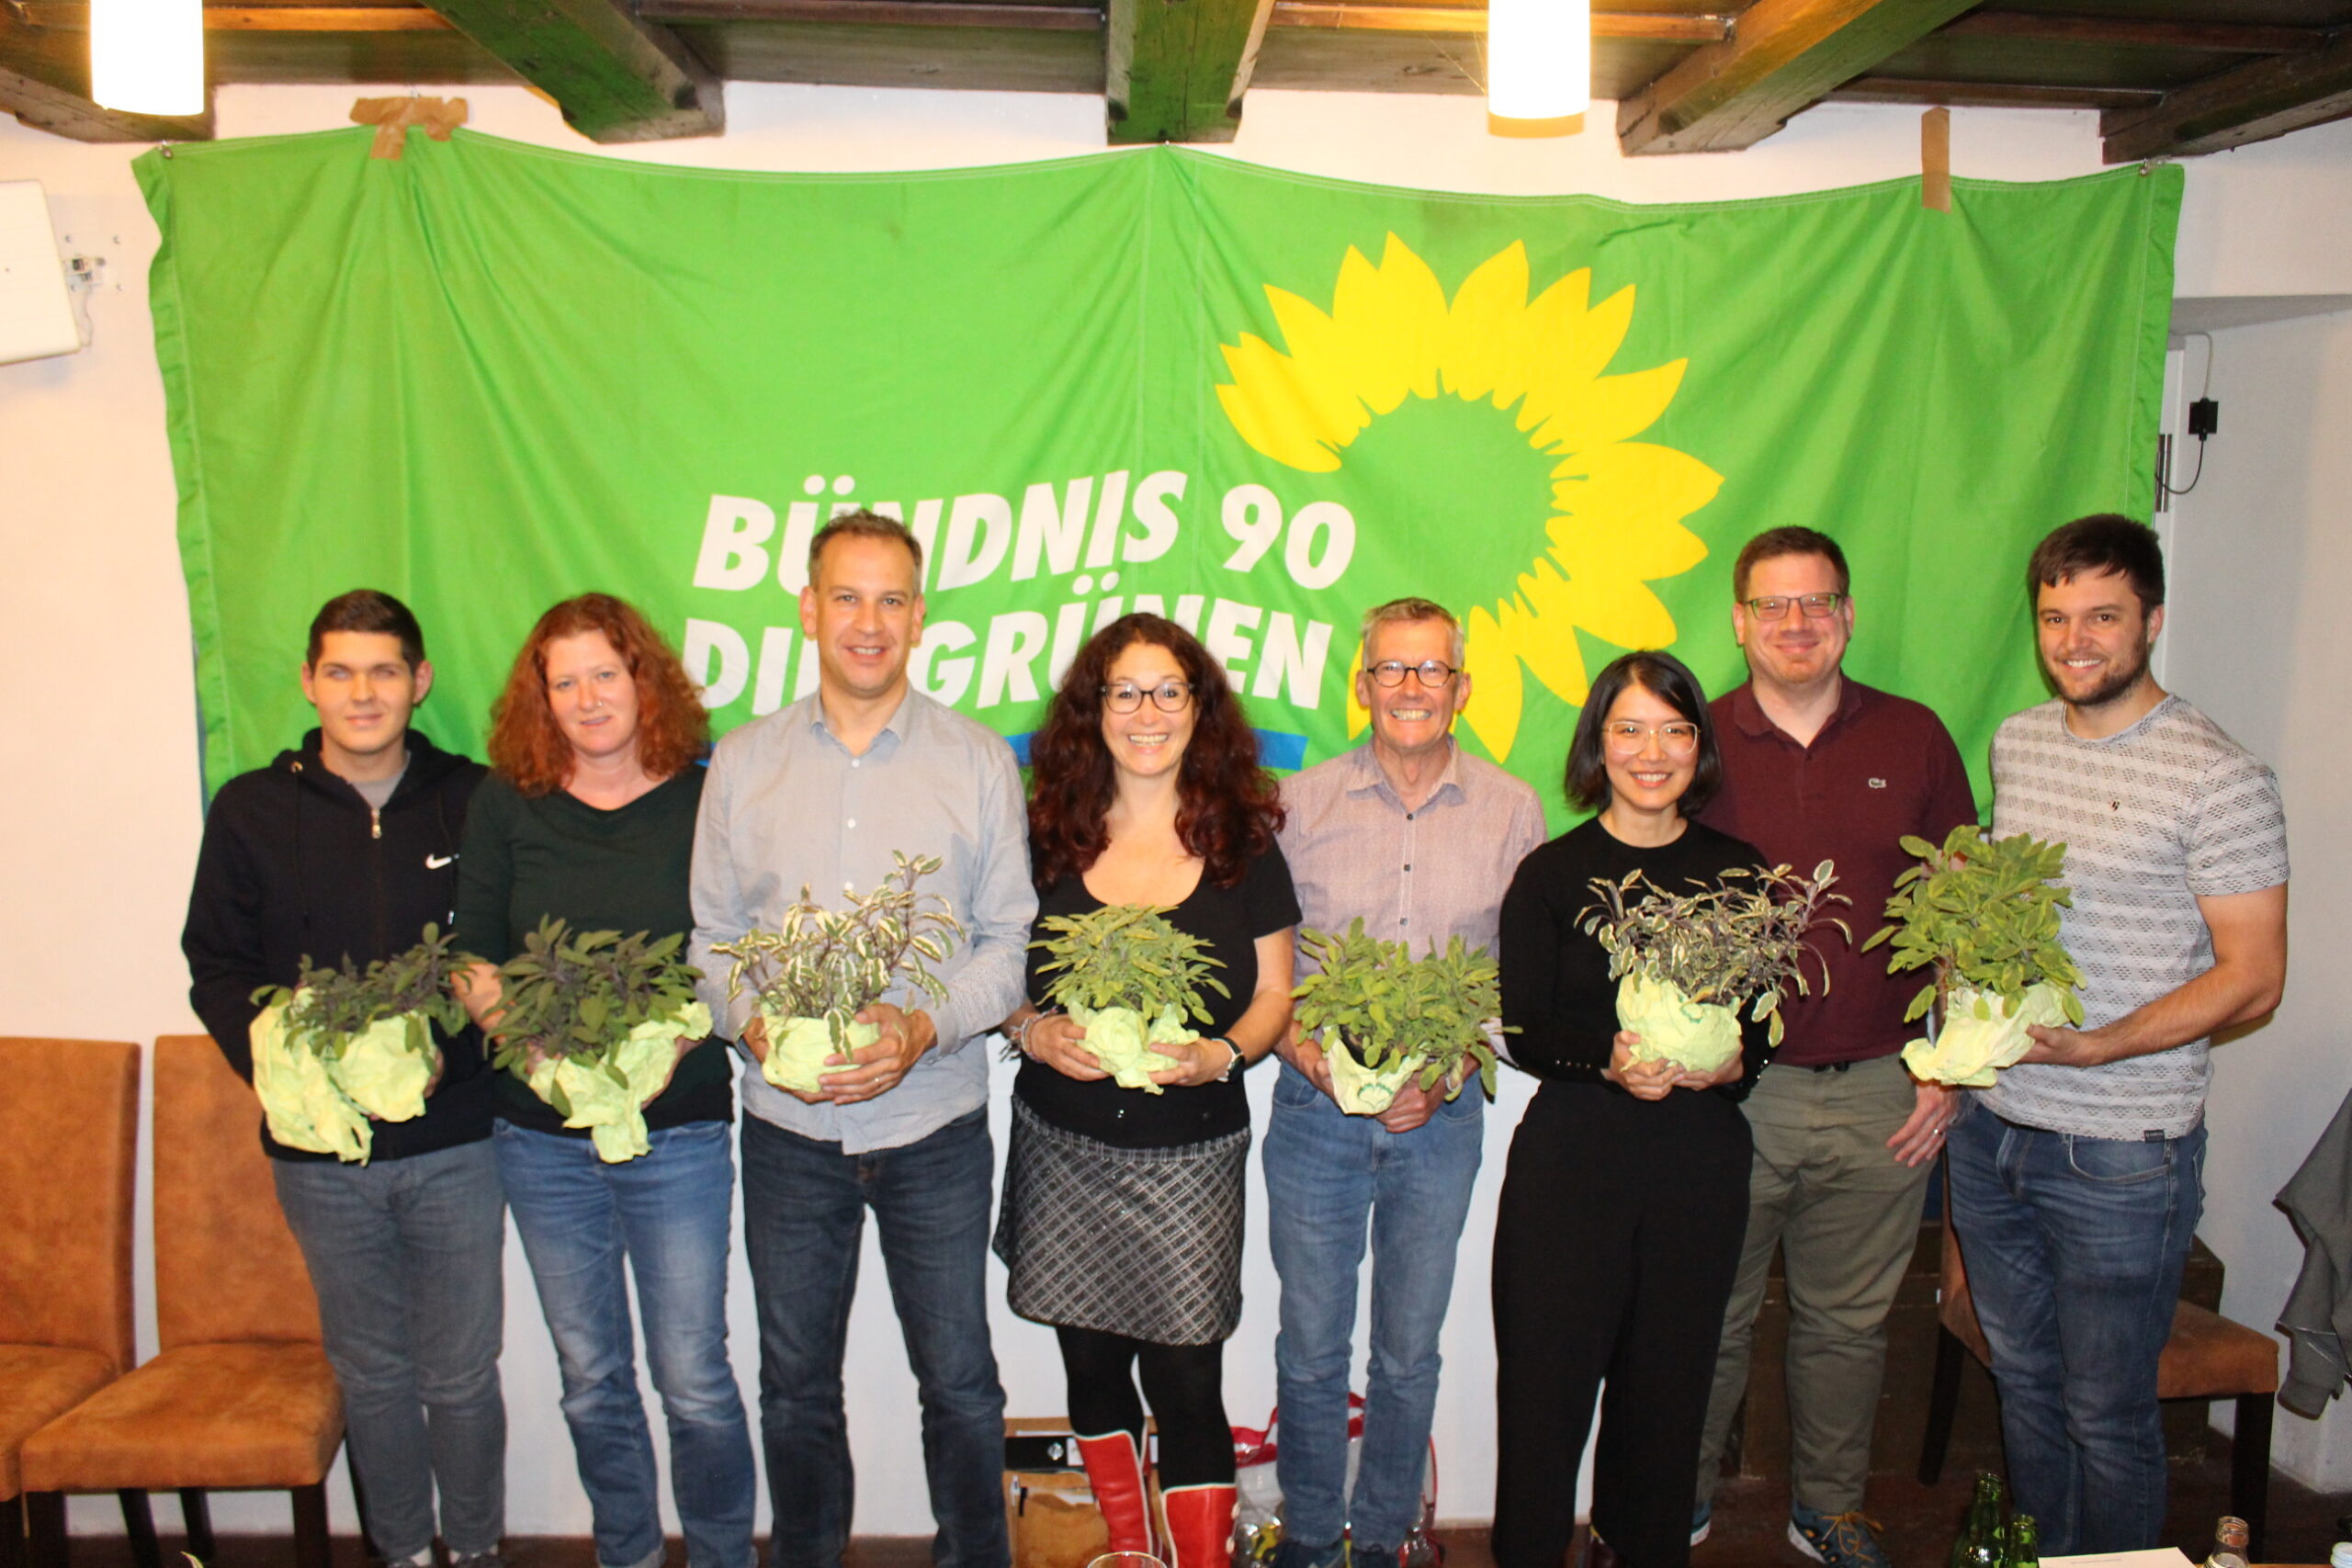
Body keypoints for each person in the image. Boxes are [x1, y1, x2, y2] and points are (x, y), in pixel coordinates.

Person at [688, 512, 1035, 1568]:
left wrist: (924, 1025)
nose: (868, 622)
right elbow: (711, 940)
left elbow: (1007, 943)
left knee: (961, 1382)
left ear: (920, 619)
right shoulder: (742, 763)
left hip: (933, 1126)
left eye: (891, 600)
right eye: (847, 596)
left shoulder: (977, 761)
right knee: (793, 1386)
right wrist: (752, 1024)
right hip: (789, 1134)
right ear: (808, 608)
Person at [1948, 513, 2287, 1555]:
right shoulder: (2020, 739)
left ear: (2150, 619)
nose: (2075, 640)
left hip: (2119, 1155)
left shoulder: (2216, 776)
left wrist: (2101, 1045)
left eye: (2102, 616)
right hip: (1994, 1128)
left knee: (2106, 1414)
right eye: (2056, 618)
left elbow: (2255, 978)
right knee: (2027, 1392)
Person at [182, 589, 506, 1568]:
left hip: (455, 1141)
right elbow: (218, 966)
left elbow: (511, 960)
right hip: (319, 1157)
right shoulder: (250, 808)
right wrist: (300, 1079)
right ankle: (401, 1553)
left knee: (460, 1375)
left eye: (383, 671)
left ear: (420, 682)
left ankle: (480, 1551)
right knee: (370, 1375)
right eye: (340, 671)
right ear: (309, 682)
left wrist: (445, 1058)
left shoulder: (479, 798)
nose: (362, 692)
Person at [1687, 528, 1978, 1566]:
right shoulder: (1693, 741)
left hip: (1880, 1096)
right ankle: (1675, 1500)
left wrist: (1949, 1069)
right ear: (1739, 622)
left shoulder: (1914, 739)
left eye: (1816, 603)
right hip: (1730, 1096)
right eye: (1773, 606)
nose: (1796, 624)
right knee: (1705, 1318)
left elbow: (1963, 917)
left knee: (1847, 1327)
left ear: (1847, 615)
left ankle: (1828, 1509)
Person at [455, 593, 754, 1568]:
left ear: (644, 681)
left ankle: (719, 1555)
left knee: (694, 1376)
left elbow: (736, 952)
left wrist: (678, 1035)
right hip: (540, 1139)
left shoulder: (706, 797)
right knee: (590, 1376)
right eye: (564, 680)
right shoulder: (506, 801)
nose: (587, 698)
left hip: (679, 1132)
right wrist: (533, 1050)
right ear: (540, 699)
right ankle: (624, 1554)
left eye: (604, 674)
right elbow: (471, 955)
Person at [994, 613, 1298, 1568]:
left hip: (1190, 1155)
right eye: (1123, 691)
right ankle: (1130, 1551)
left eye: (1168, 690)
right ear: (1093, 711)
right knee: (1087, 1364)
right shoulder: (1042, 832)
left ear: (1199, 709)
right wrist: (1031, 1029)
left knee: (1185, 1374)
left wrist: (1225, 1057)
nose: (1146, 712)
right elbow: (1002, 975)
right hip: (1066, 1144)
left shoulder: (1243, 837)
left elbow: (1277, 993)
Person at [1265, 597, 1544, 1568]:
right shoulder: (1296, 807)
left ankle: (1382, 1538)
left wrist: (1457, 1063)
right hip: (1312, 1118)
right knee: (1307, 1348)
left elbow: (1517, 982)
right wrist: (1310, 1056)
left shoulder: (1514, 810)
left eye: (1431, 670)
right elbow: (1274, 972)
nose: (1412, 687)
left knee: (1407, 1352)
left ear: (1461, 689)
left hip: (1441, 1122)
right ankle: (1307, 1535)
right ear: (1362, 685)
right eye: (1392, 669)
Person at [1491, 650, 1770, 1568]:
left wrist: (1733, 1060)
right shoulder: (1550, 874)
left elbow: (1763, 1034)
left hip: (1696, 1169)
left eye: (1675, 730)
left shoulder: (1741, 874)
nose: (1652, 753)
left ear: (1699, 746)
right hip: (1572, 1166)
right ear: (1596, 746)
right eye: (1629, 729)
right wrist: (1604, 1063)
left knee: (1665, 1401)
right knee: (1543, 1400)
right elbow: (1526, 1032)